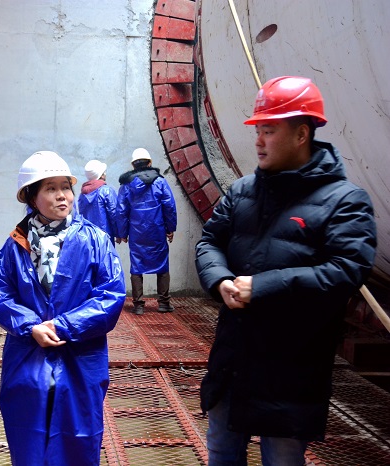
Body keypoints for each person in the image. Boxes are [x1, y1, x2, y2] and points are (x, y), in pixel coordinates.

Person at [195, 76, 377, 465]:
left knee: (282, 460)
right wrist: (219, 279)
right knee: (222, 453)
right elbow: (209, 242)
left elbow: (346, 271)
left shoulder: (345, 201)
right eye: (257, 131)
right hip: (233, 361)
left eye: (269, 131)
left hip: (291, 370)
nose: (259, 141)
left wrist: (262, 287)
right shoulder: (242, 191)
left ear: (301, 134)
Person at [0, 151, 126, 466]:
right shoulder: (16, 245)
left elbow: (111, 295)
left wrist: (63, 326)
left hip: (80, 359)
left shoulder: (95, 240)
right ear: (32, 197)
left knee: (77, 439)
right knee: (29, 438)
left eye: (66, 187)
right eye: (50, 188)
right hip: (28, 357)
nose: (62, 195)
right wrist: (31, 326)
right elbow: (1, 292)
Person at [116, 148, 177, 315]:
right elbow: (169, 206)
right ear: (150, 163)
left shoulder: (126, 185)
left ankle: (138, 305)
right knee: (162, 264)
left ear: (133, 165)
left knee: (137, 265)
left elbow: (121, 211)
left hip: (136, 232)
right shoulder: (160, 182)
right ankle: (163, 303)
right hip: (157, 230)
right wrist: (170, 228)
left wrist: (122, 232)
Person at [77, 159, 119, 244]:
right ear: (102, 175)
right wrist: (118, 233)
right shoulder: (106, 191)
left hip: (88, 237)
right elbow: (114, 213)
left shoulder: (82, 195)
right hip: (105, 237)